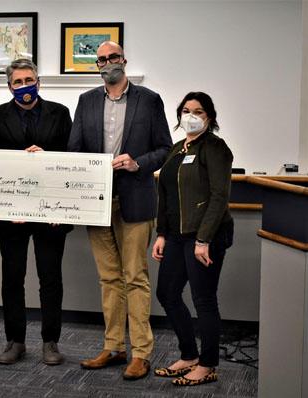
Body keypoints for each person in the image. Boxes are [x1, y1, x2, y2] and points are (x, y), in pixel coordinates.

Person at [68, 41, 172, 380]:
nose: (108, 63)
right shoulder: (86, 101)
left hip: (135, 200)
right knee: (109, 278)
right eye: (101, 60)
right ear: (96, 65)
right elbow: (75, 149)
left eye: (113, 57)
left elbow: (165, 150)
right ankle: (114, 347)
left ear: (124, 61)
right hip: (96, 202)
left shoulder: (149, 100)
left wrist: (137, 163)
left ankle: (141, 353)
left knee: (135, 278)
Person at [0, 58, 72, 366]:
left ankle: (51, 342)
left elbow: (70, 158)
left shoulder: (60, 113)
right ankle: (15, 341)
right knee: (12, 278)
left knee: (50, 278)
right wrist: (20, 162)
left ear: (38, 82)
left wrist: (46, 157)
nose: (24, 86)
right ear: (9, 86)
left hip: (51, 211)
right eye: (18, 82)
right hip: (12, 212)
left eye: (29, 79)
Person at [152, 92, 234, 386]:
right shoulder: (176, 149)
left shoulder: (216, 148)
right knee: (167, 294)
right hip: (175, 236)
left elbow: (219, 196)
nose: (191, 116)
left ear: (209, 117)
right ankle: (189, 355)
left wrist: (204, 239)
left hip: (205, 238)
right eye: (186, 110)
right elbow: (166, 194)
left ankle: (208, 364)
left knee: (204, 301)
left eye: (198, 111)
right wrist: (161, 233)